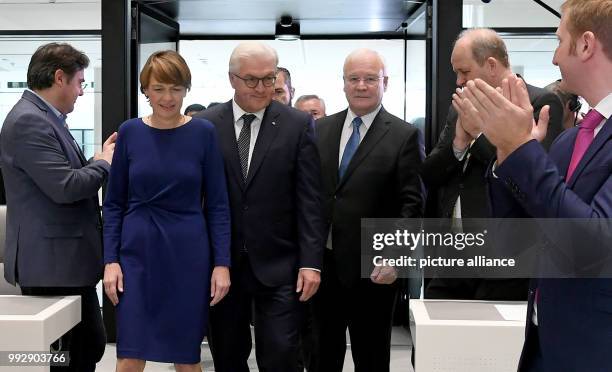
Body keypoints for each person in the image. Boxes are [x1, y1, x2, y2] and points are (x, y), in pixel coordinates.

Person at [455, 0, 612, 370]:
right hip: (545, 342)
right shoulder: (569, 141)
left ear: (586, 45)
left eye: (560, 41)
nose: (555, 58)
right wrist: (506, 152)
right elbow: (517, 235)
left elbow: (595, 243)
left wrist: (521, 147)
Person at [196, 42, 324, 372]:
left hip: (280, 263)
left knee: (281, 353)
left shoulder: (297, 124)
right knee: (227, 354)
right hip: (222, 265)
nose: (262, 88)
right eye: (251, 80)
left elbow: (309, 198)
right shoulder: (206, 125)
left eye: (269, 79)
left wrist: (311, 262)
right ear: (232, 79)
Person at [102, 50, 231, 372]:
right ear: (145, 90)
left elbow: (217, 205)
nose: (168, 97)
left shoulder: (203, 133)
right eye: (159, 88)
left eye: (175, 88)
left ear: (186, 89)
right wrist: (110, 260)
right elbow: (114, 203)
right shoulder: (130, 131)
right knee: (129, 354)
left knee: (186, 356)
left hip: (188, 254)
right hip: (136, 252)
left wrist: (222, 264)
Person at [421, 28, 564, 301]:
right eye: (456, 74)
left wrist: (478, 135)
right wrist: (459, 145)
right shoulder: (460, 105)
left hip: (504, 256)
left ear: (491, 66)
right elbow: (430, 172)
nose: (459, 82)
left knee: (493, 342)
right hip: (453, 253)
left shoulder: (538, 102)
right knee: (436, 337)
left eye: (464, 72)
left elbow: (531, 176)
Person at [0, 42, 115, 371]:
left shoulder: (45, 118)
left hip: (61, 261)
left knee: (85, 346)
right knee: (71, 355)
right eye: (80, 82)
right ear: (59, 77)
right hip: (51, 263)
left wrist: (94, 160)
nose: (81, 91)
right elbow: (65, 187)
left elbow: (61, 175)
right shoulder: (29, 121)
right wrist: (105, 164)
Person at [313, 48, 425, 372]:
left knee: (372, 359)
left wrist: (395, 257)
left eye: (370, 78)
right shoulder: (321, 130)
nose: (361, 85)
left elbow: (412, 206)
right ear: (344, 84)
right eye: (354, 78)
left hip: (374, 270)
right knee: (321, 357)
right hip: (323, 268)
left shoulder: (404, 135)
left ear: (384, 82)